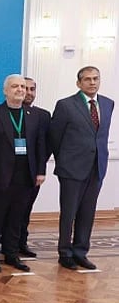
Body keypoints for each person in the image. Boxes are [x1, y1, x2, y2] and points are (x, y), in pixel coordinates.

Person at [49, 66, 114, 270]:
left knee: (88, 212)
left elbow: (100, 136)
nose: (92, 82)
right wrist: (64, 162)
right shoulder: (66, 105)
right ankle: (65, 253)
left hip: (97, 168)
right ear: (79, 83)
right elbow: (55, 137)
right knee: (68, 213)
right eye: (87, 79)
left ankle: (80, 251)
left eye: (96, 78)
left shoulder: (108, 103)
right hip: (71, 169)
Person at [0, 75, 48, 273]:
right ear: (5, 90)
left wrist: (41, 171)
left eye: (23, 87)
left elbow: (40, 145)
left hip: (26, 175)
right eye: (15, 86)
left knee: (17, 217)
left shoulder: (33, 115)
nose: (20, 90)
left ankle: (11, 254)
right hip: (1, 175)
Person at [17, 76, 49, 258]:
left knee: (25, 210)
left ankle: (22, 243)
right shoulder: (4, 112)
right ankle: (5, 244)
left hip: (32, 173)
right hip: (9, 173)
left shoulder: (43, 116)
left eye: (32, 89)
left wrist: (40, 169)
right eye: (25, 88)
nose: (28, 93)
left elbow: (46, 144)